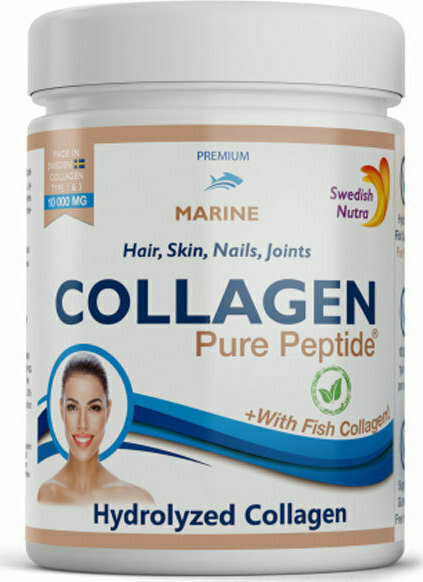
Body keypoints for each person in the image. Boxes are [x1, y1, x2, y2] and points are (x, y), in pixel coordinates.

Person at [38, 353, 153, 505]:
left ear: (107, 411)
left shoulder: (136, 499)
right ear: (61, 409)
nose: (82, 424)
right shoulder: (45, 495)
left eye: (94, 408)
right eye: (72, 407)